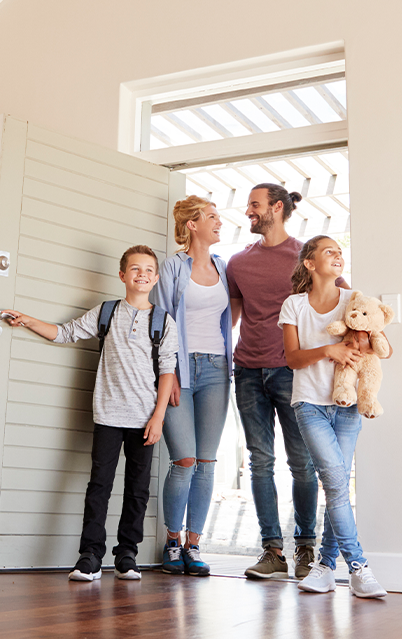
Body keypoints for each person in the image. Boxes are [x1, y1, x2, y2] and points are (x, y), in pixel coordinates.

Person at [4, 245, 178, 581]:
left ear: (155, 278)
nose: (141, 274)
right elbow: (65, 332)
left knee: (138, 489)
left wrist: (158, 417)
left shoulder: (163, 321)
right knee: (99, 485)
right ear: (122, 275)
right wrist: (27, 321)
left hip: (144, 419)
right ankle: (90, 556)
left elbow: (168, 371)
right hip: (108, 416)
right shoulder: (107, 313)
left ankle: (127, 554)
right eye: (135, 269)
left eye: (148, 270)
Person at [226, 183, 349, 580]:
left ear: (277, 208)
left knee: (302, 464)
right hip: (246, 369)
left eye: (255, 205)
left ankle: (306, 548)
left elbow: (345, 303)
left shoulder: (305, 256)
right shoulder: (237, 262)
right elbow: (232, 315)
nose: (248, 211)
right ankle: (272, 551)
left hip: (292, 371)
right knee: (260, 462)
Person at [279, 234, 390, 598]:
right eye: (329, 252)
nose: (338, 256)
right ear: (310, 264)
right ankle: (359, 567)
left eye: (340, 252)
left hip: (347, 408)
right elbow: (292, 359)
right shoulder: (293, 305)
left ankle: (326, 566)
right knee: (336, 481)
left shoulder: (353, 300)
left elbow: (375, 339)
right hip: (309, 404)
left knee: (336, 484)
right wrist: (329, 350)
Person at [150, 195, 232, 577]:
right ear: (193, 224)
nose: (219, 222)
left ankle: (193, 544)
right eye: (212, 216)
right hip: (180, 370)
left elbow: (230, 314)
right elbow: (160, 323)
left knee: (206, 462)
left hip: (217, 368)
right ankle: (171, 540)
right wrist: (171, 376)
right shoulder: (172, 267)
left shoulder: (223, 267)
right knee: (183, 460)